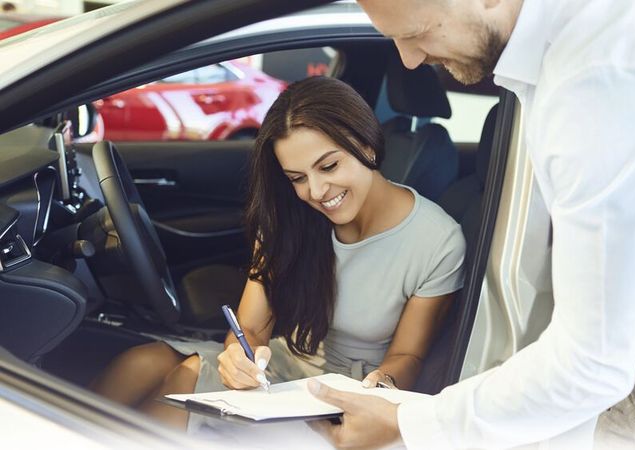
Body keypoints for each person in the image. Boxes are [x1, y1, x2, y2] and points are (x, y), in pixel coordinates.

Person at [307, 0, 635, 448]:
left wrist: (407, 424)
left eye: (415, 33)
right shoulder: (580, 40)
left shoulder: (609, 72)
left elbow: (591, 362)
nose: (410, 60)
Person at [91, 76, 466, 431]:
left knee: (186, 376)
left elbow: (408, 356)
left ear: (367, 145)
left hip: (351, 393)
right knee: (143, 360)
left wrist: (383, 387)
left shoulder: (437, 241)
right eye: (297, 178)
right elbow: (251, 330)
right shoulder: (291, 218)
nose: (316, 191)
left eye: (329, 166)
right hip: (286, 365)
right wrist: (239, 358)